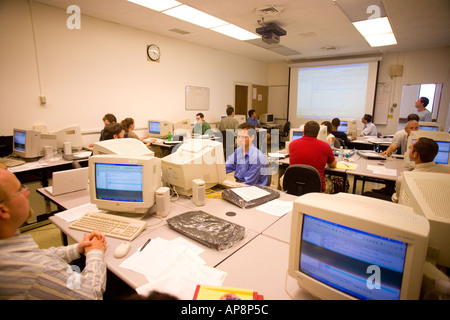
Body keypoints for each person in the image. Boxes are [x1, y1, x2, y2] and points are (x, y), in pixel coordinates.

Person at [0, 169, 107, 300]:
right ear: (3, 210)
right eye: (19, 190)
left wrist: (78, 248)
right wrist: (95, 253)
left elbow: (40, 256)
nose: (27, 192)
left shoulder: (8, 246)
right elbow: (91, 295)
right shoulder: (34, 270)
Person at [364, 137, 448, 202]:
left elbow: (396, 200)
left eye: (411, 147)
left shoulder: (405, 178)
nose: (409, 148)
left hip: (402, 208)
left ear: (415, 154)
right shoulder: (445, 173)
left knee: (367, 194)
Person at [288, 121, 336, 191]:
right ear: (317, 133)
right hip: (316, 187)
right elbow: (333, 165)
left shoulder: (292, 144)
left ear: (303, 131)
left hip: (294, 184)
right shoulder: (326, 146)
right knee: (331, 183)